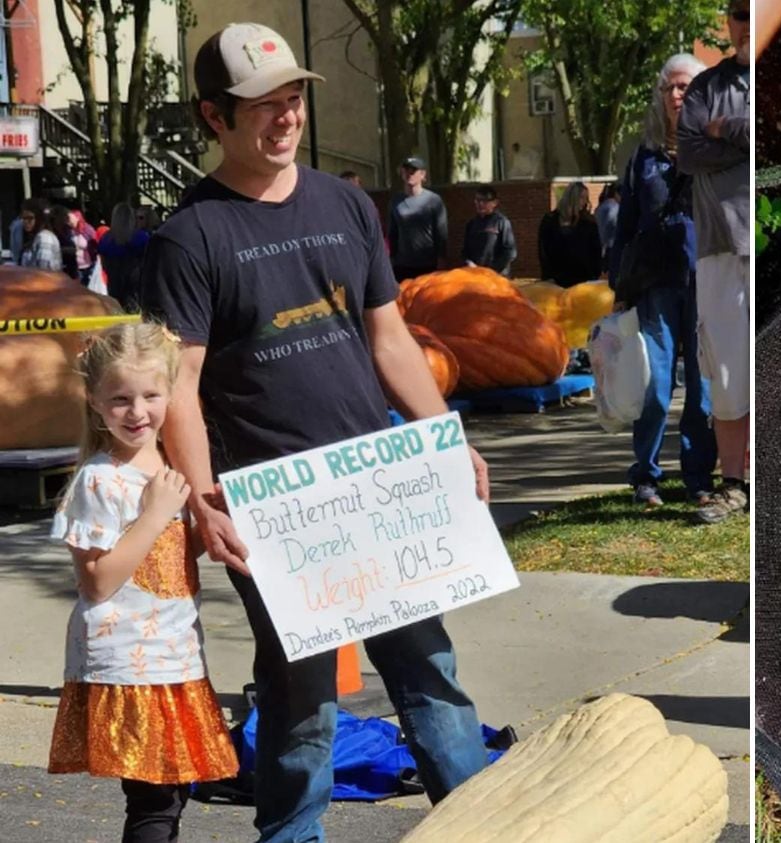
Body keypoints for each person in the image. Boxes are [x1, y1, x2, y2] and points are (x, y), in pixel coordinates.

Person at [140, 22, 492, 842]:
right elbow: (180, 388)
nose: (285, 118)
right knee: (301, 696)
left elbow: (390, 339)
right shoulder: (189, 237)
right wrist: (200, 501)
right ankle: (291, 834)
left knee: (429, 673)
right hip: (277, 508)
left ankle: (484, 827)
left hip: (379, 486)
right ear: (213, 117)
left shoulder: (345, 205)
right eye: (264, 106)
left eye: (293, 100)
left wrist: (446, 437)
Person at [48, 321, 239, 843]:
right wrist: (154, 514)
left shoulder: (171, 464)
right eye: (121, 399)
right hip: (129, 659)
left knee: (172, 794)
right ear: (94, 400)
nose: (137, 412)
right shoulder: (98, 479)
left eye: (151, 395)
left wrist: (210, 528)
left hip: (174, 651)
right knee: (153, 800)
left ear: (171, 392)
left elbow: (169, 557)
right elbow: (97, 581)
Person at [609, 53, 715, 508]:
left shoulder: (716, 147)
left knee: (703, 384)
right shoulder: (643, 157)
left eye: (686, 86)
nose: (677, 94)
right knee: (654, 382)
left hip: (705, 278)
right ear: (659, 94)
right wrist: (618, 287)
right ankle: (646, 477)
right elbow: (626, 224)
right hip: (655, 282)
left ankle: (698, 477)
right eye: (670, 87)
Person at [677, 0, 752, 524]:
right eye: (736, 13)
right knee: (725, 368)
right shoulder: (705, 88)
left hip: (770, 237)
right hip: (720, 244)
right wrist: (736, 136)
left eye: (752, 11)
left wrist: (728, 132)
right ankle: (734, 484)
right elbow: (688, 152)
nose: (743, 22)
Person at [388, 155, 447, 282]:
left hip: (428, 264)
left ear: (422, 175)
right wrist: (391, 259)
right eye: (405, 171)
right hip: (402, 265)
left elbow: (441, 233)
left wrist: (441, 260)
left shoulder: (433, 200)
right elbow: (393, 233)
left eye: (413, 171)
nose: (409, 175)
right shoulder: (396, 201)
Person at [537, 181, 601, 287]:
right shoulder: (550, 220)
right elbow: (543, 249)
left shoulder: (588, 222)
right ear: (571, 197)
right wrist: (547, 276)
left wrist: (594, 274)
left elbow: (595, 250)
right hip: (556, 278)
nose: (584, 202)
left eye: (586, 198)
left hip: (583, 279)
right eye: (581, 197)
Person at [99, 203, 152, 312]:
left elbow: (103, 263)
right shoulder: (141, 237)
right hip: (136, 283)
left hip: (114, 283)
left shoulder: (106, 238)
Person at [461, 185, 517, 276]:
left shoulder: (501, 222)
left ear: (495, 202)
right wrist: (469, 263)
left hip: (497, 277)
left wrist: (492, 271)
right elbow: (465, 252)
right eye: (478, 200)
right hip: (476, 276)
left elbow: (510, 252)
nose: (481, 204)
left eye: (485, 201)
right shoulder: (471, 224)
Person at [17, 198, 62, 271]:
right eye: (23, 218)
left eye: (29, 218)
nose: (25, 222)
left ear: (39, 218)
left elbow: (43, 270)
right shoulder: (34, 237)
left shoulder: (45, 238)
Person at [595, 182, 620, 260]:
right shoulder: (615, 207)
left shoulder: (599, 208)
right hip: (611, 246)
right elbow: (613, 225)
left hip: (600, 245)